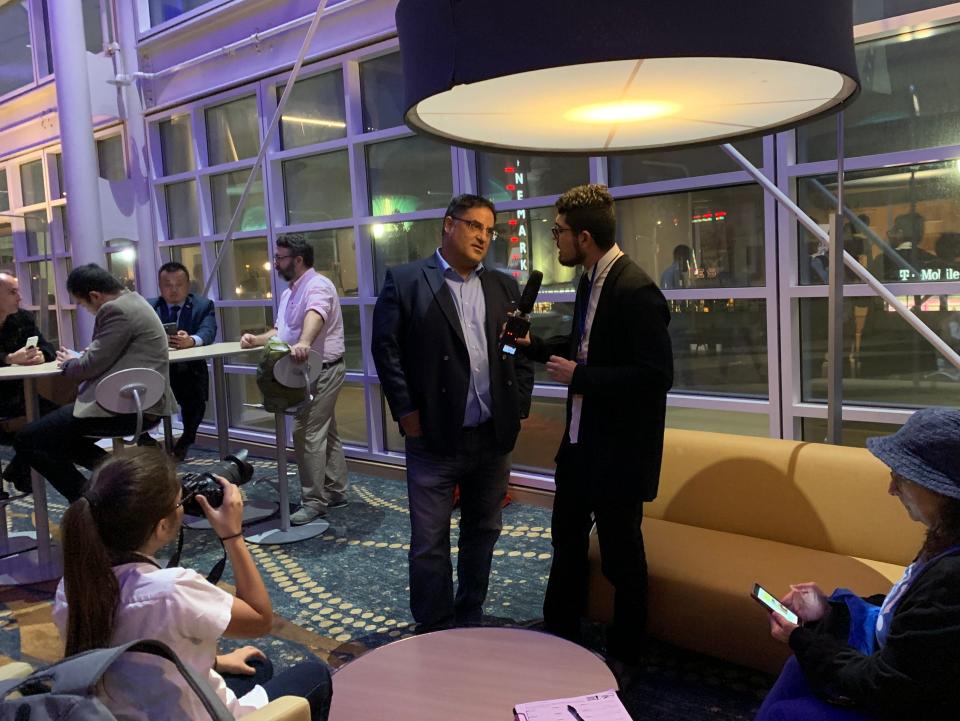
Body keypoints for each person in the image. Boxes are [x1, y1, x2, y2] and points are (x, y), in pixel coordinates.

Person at [52, 447, 332, 720]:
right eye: (179, 502)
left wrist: (217, 662)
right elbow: (259, 620)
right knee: (314, 675)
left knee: (256, 666)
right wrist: (232, 535)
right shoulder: (171, 590)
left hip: (117, 711)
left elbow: (131, 658)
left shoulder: (74, 584)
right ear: (162, 526)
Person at [517, 184, 673, 667]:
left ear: (583, 237)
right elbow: (586, 346)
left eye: (557, 231)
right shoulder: (591, 280)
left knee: (623, 561)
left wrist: (581, 376)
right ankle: (559, 637)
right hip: (582, 446)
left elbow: (655, 377)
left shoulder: (636, 289)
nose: (554, 239)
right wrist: (534, 346)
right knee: (565, 544)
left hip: (619, 457)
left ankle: (625, 657)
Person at [371, 193, 534, 632]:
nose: (483, 236)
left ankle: (470, 613)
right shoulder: (407, 280)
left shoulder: (502, 286)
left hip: (491, 435)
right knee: (429, 542)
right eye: (474, 226)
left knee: (483, 532)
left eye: (489, 230)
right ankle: (434, 626)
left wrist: (517, 402)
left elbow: (511, 349)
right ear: (448, 225)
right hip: (434, 436)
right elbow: (386, 350)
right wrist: (405, 410)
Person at [756, 407, 960, 721]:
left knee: (786, 712)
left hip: (911, 699)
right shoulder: (945, 538)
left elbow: (886, 684)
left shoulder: (951, 576)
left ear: (940, 490)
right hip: (907, 678)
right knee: (802, 662)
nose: (892, 489)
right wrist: (827, 611)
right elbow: (912, 621)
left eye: (901, 478)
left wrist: (800, 638)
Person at [14, 264, 173, 503]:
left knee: (27, 438)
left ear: (94, 296)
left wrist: (69, 362)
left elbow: (88, 367)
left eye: (82, 304)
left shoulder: (114, 310)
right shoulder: (135, 302)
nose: (85, 310)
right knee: (53, 438)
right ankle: (118, 480)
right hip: (142, 402)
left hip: (126, 406)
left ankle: (90, 500)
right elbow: (106, 356)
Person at [240, 233, 347, 525]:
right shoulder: (289, 293)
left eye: (280, 258)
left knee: (306, 431)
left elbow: (317, 315)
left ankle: (314, 501)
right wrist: (256, 339)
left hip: (323, 369)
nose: (275, 263)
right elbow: (280, 332)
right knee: (326, 429)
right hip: (303, 372)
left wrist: (305, 342)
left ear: (298, 260)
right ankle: (336, 489)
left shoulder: (318, 285)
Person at [148, 261, 217, 461]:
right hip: (158, 370)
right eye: (167, 285)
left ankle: (186, 441)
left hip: (189, 370)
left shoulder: (202, 305)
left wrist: (192, 340)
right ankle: (148, 442)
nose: (173, 290)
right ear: (160, 288)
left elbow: (208, 331)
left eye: (179, 284)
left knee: (194, 402)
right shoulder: (149, 307)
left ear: (188, 285)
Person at [0, 272, 57, 493]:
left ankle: (18, 468)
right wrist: (8, 359)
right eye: (13, 292)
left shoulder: (23, 319)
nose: (20, 297)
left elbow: (48, 347)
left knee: (65, 420)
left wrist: (42, 355)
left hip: (21, 396)